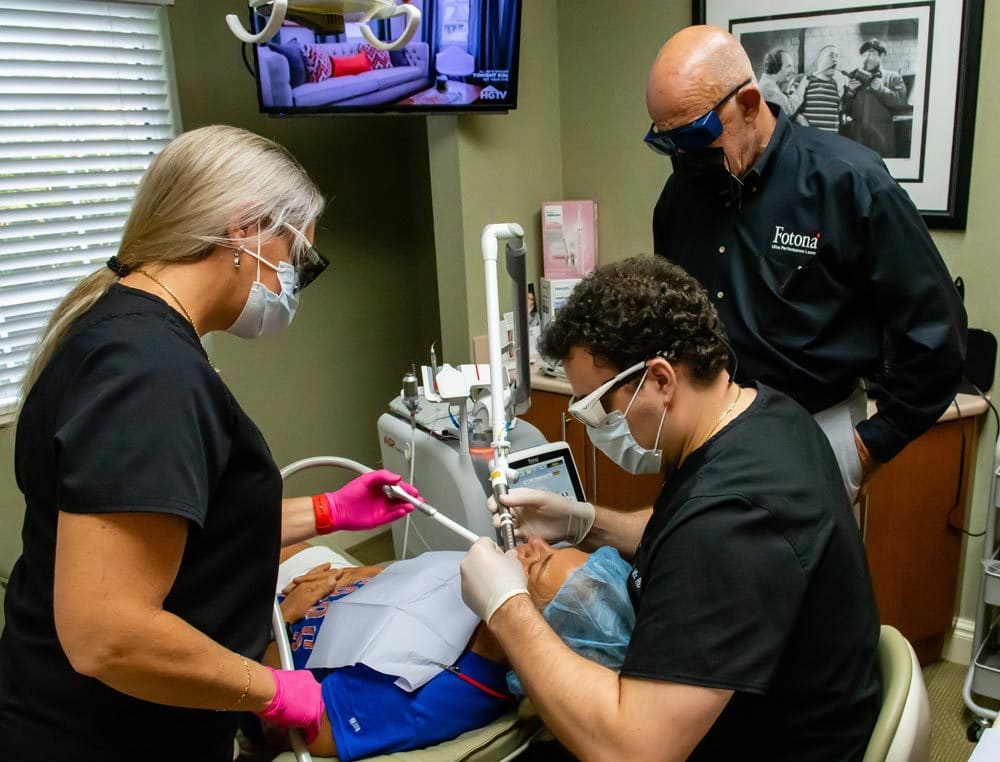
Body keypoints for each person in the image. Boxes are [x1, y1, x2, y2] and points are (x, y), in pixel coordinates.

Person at [0, 126, 420, 762]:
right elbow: (108, 635)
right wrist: (270, 691)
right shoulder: (149, 375)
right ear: (243, 229)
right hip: (103, 735)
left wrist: (329, 511)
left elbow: (171, 533)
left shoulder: (122, 330)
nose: (290, 278)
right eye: (292, 251)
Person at [462, 256, 882, 761]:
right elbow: (681, 530)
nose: (596, 429)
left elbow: (633, 751)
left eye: (597, 408)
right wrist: (584, 521)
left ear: (661, 380)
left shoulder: (733, 518)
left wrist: (506, 607)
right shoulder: (767, 416)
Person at [645, 25, 966, 502]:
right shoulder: (679, 199)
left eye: (696, 136)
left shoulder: (851, 184)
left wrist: (869, 444)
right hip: (705, 437)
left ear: (750, 104)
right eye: (667, 143)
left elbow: (938, 337)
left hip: (817, 430)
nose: (684, 159)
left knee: (806, 576)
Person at [251, 537, 632, 760]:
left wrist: (281, 619)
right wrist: (351, 577)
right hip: (320, 597)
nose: (532, 543)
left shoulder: (432, 696)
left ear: (532, 630)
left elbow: (285, 727)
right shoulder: (479, 595)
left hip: (263, 650)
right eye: (551, 546)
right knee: (277, 537)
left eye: (538, 564)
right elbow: (407, 577)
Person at [843, 38, 909, 157]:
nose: (867, 57)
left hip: (882, 138)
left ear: (882, 56)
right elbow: (846, 111)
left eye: (871, 53)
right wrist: (850, 92)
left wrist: (882, 90)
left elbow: (902, 105)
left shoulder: (893, 77)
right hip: (857, 138)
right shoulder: (855, 78)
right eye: (864, 54)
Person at [757, 48, 807, 121]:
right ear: (776, 66)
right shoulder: (768, 87)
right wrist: (802, 86)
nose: (793, 70)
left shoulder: (768, 83)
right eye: (789, 66)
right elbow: (789, 109)